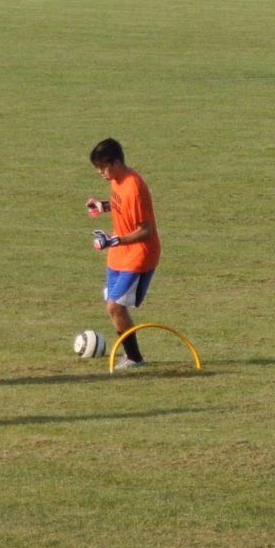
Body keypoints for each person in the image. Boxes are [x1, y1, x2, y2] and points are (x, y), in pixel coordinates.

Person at [85, 137, 160, 372]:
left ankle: (134, 358)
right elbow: (122, 205)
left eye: (103, 167)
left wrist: (112, 240)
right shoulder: (117, 181)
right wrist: (103, 206)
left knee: (114, 307)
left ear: (116, 162)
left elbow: (146, 231)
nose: (101, 173)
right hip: (118, 254)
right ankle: (132, 355)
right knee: (112, 303)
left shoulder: (134, 186)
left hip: (138, 255)